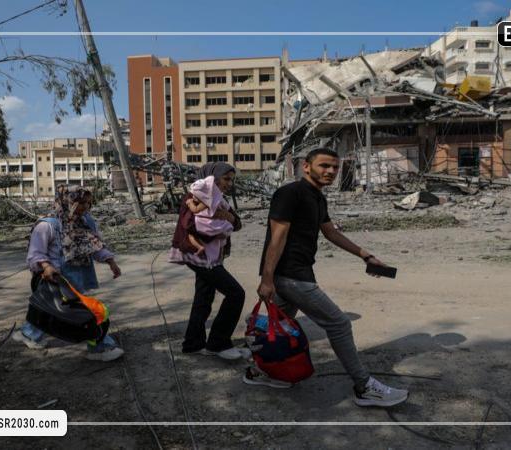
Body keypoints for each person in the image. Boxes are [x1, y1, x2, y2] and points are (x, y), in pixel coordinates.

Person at [248, 147, 409, 407]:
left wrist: (366, 255)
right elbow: (277, 238)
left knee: (278, 328)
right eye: (324, 165)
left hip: (294, 273)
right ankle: (364, 387)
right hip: (291, 275)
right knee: (339, 324)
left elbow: (331, 232)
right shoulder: (290, 193)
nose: (331, 171)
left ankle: (259, 371)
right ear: (306, 166)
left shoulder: (318, 198)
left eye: (335, 167)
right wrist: (267, 279)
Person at [12, 184, 124, 362]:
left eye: (88, 203)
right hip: (57, 278)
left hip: (79, 275)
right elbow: (35, 253)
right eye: (81, 203)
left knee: (54, 309)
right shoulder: (48, 225)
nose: (85, 207)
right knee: (87, 311)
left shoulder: (85, 221)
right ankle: (99, 347)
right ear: (67, 201)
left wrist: (110, 261)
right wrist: (46, 266)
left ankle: (29, 333)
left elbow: (95, 245)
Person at [169, 162, 248, 360]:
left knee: (203, 298)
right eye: (226, 179)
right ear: (212, 177)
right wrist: (223, 225)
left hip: (211, 256)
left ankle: (193, 344)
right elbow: (193, 225)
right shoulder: (194, 197)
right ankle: (218, 343)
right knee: (236, 293)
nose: (229, 184)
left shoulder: (218, 198)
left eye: (232, 180)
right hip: (200, 256)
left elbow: (237, 223)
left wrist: (227, 217)